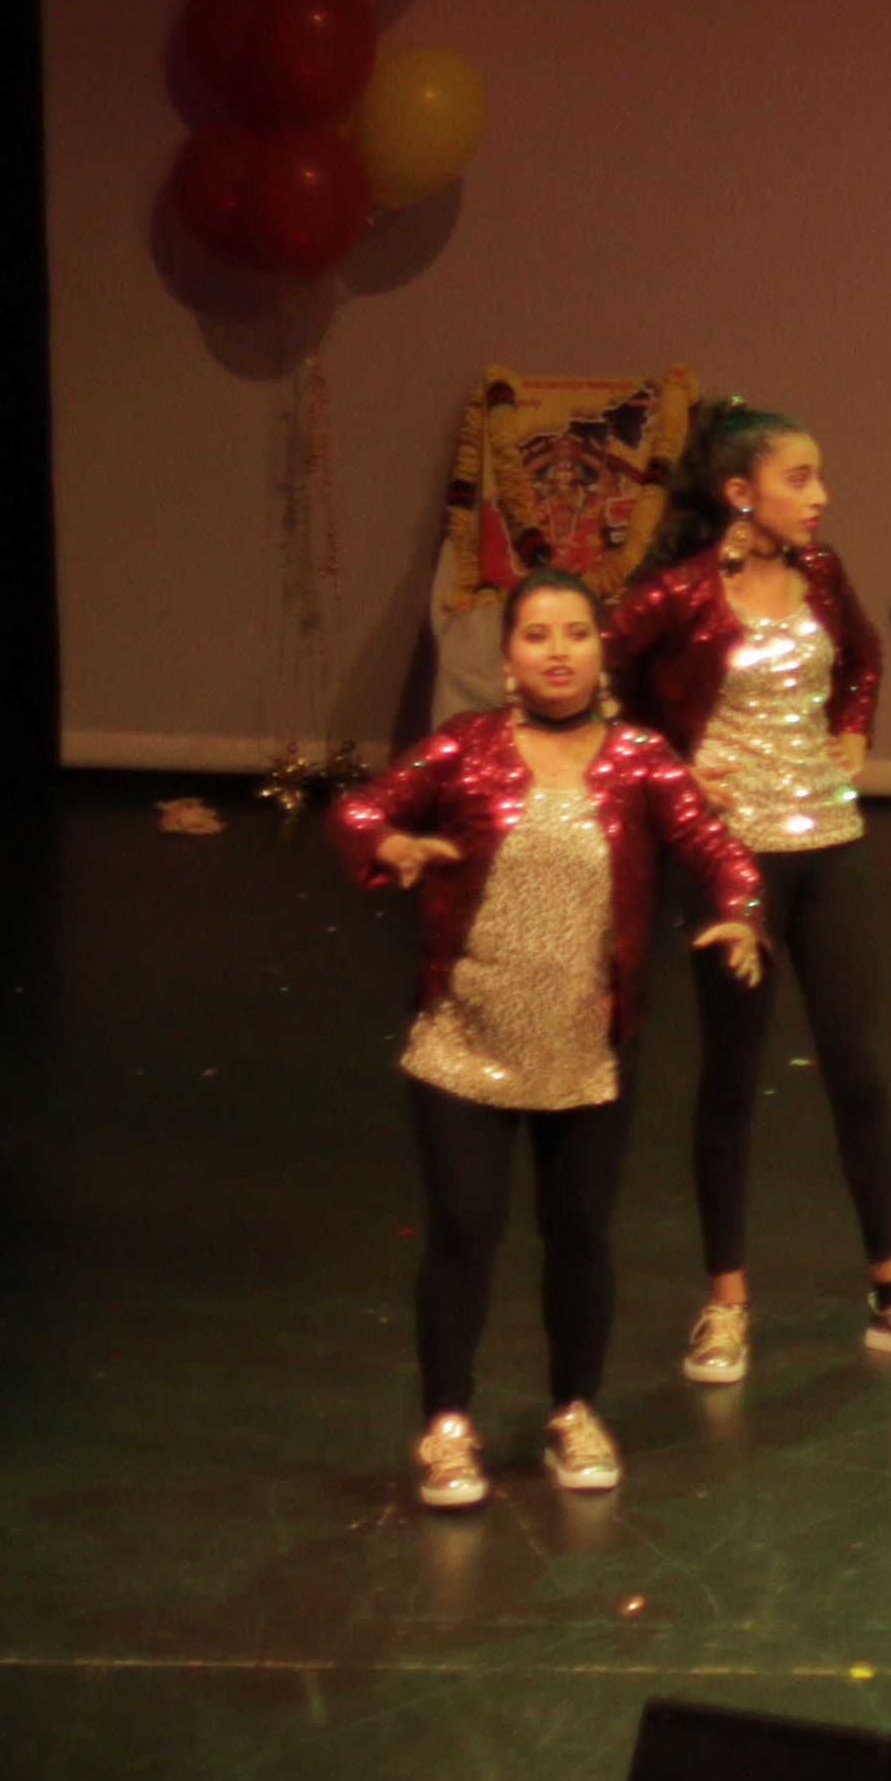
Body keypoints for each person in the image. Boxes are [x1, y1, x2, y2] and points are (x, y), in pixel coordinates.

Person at [333, 570, 764, 1508]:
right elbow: (359, 809)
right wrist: (390, 845)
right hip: (465, 1039)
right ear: (508, 659)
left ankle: (575, 1410)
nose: (558, 650)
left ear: (602, 650)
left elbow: (718, 849)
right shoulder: (465, 747)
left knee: (579, 1235)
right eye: (537, 635)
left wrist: (740, 909)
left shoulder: (641, 760)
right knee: (464, 1231)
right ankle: (447, 1426)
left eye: (576, 632)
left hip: (586, 1046)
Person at [604, 397, 891, 1385]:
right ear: (740, 492)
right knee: (732, 1074)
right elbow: (605, 685)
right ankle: (726, 1302)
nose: (820, 496)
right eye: (800, 478)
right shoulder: (678, 593)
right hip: (734, 858)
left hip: (830, 842)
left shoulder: (821, 572)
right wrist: (668, 769)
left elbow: (861, 653)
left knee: (858, 1064)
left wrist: (853, 726)